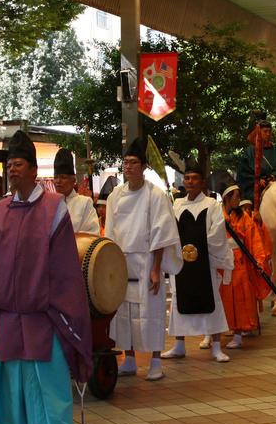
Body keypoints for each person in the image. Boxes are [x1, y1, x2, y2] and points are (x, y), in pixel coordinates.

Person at [0, 130, 91, 424]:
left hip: (43, 305)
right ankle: (20, 422)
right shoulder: (0, 209)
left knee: (48, 367)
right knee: (12, 366)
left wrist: (55, 298)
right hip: (8, 307)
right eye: (9, 164)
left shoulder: (54, 206)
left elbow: (64, 259)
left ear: (33, 170)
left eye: (18, 164)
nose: (12, 170)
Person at [106, 137, 183, 380]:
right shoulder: (114, 196)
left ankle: (156, 362)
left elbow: (162, 233)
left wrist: (156, 268)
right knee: (124, 313)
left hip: (147, 260)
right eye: (125, 162)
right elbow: (110, 232)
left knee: (152, 312)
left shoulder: (156, 195)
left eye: (133, 162)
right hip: (121, 260)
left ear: (143, 166)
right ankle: (128, 359)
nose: (128, 167)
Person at [161, 159, 233, 362]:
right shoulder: (177, 204)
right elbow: (172, 232)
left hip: (205, 262)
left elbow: (217, 234)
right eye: (187, 178)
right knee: (179, 301)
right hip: (182, 263)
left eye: (194, 178)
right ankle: (179, 345)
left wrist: (196, 246)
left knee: (212, 302)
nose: (190, 182)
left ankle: (217, 347)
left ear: (202, 182)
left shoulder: (212, 205)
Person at [217, 186, 264, 351]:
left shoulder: (243, 217)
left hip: (240, 262)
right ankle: (216, 333)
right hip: (221, 261)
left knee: (241, 298)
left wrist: (259, 259)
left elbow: (254, 238)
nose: (238, 200)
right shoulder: (216, 214)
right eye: (236, 197)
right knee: (222, 298)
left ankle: (238, 334)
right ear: (227, 197)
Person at [237, 114, 276, 202]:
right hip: (256, 190)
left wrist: (275, 175)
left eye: (269, 131)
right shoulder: (250, 151)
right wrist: (256, 180)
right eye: (265, 131)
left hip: (275, 185)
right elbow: (243, 173)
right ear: (259, 132)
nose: (268, 134)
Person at [52, 147, 100, 235]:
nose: (58, 181)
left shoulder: (84, 203)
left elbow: (92, 235)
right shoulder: (50, 204)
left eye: (63, 177)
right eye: (56, 177)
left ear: (73, 180)